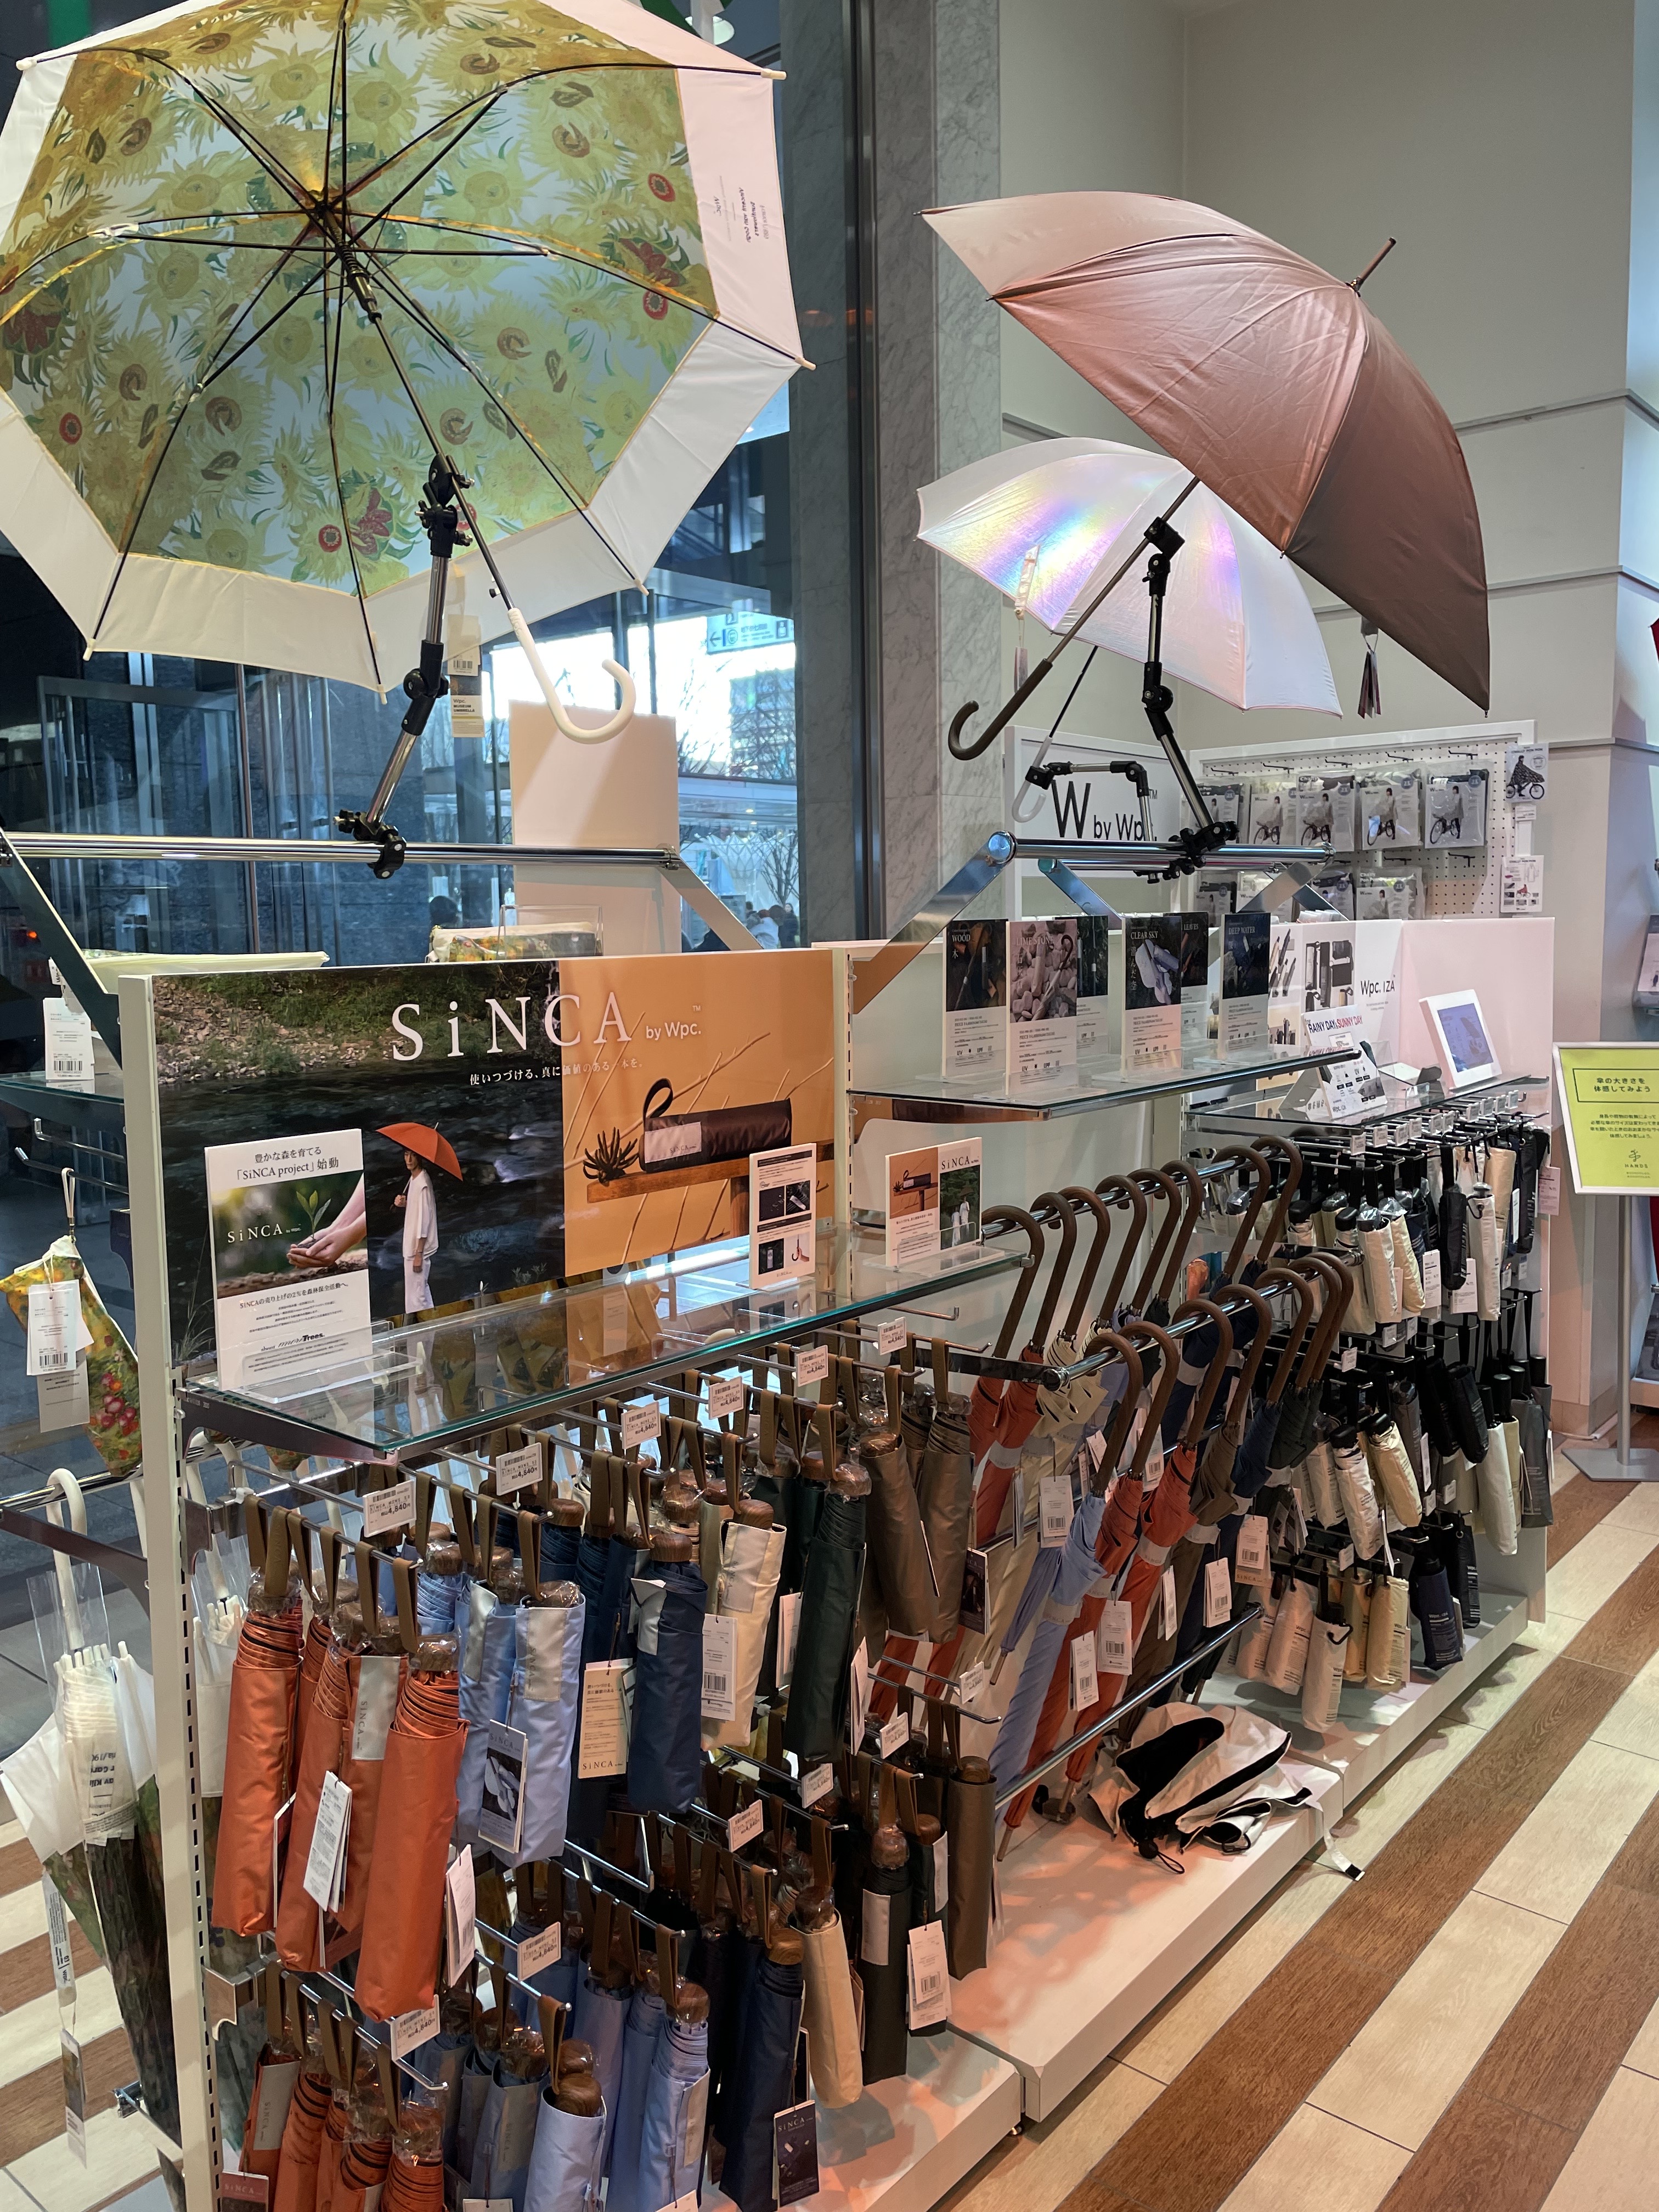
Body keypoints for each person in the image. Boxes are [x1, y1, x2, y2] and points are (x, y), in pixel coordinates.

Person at [394, 1147, 438, 1312]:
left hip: (417, 1250)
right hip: (412, 1247)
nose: (409, 1160)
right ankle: (429, 1327)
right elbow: (418, 1209)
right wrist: (405, 1204)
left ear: (420, 1158)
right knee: (419, 1294)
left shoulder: (422, 1184)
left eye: (413, 1155)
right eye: (406, 1155)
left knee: (417, 1298)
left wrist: (419, 1254)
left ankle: (422, 1328)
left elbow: (424, 1219)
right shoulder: (414, 1179)